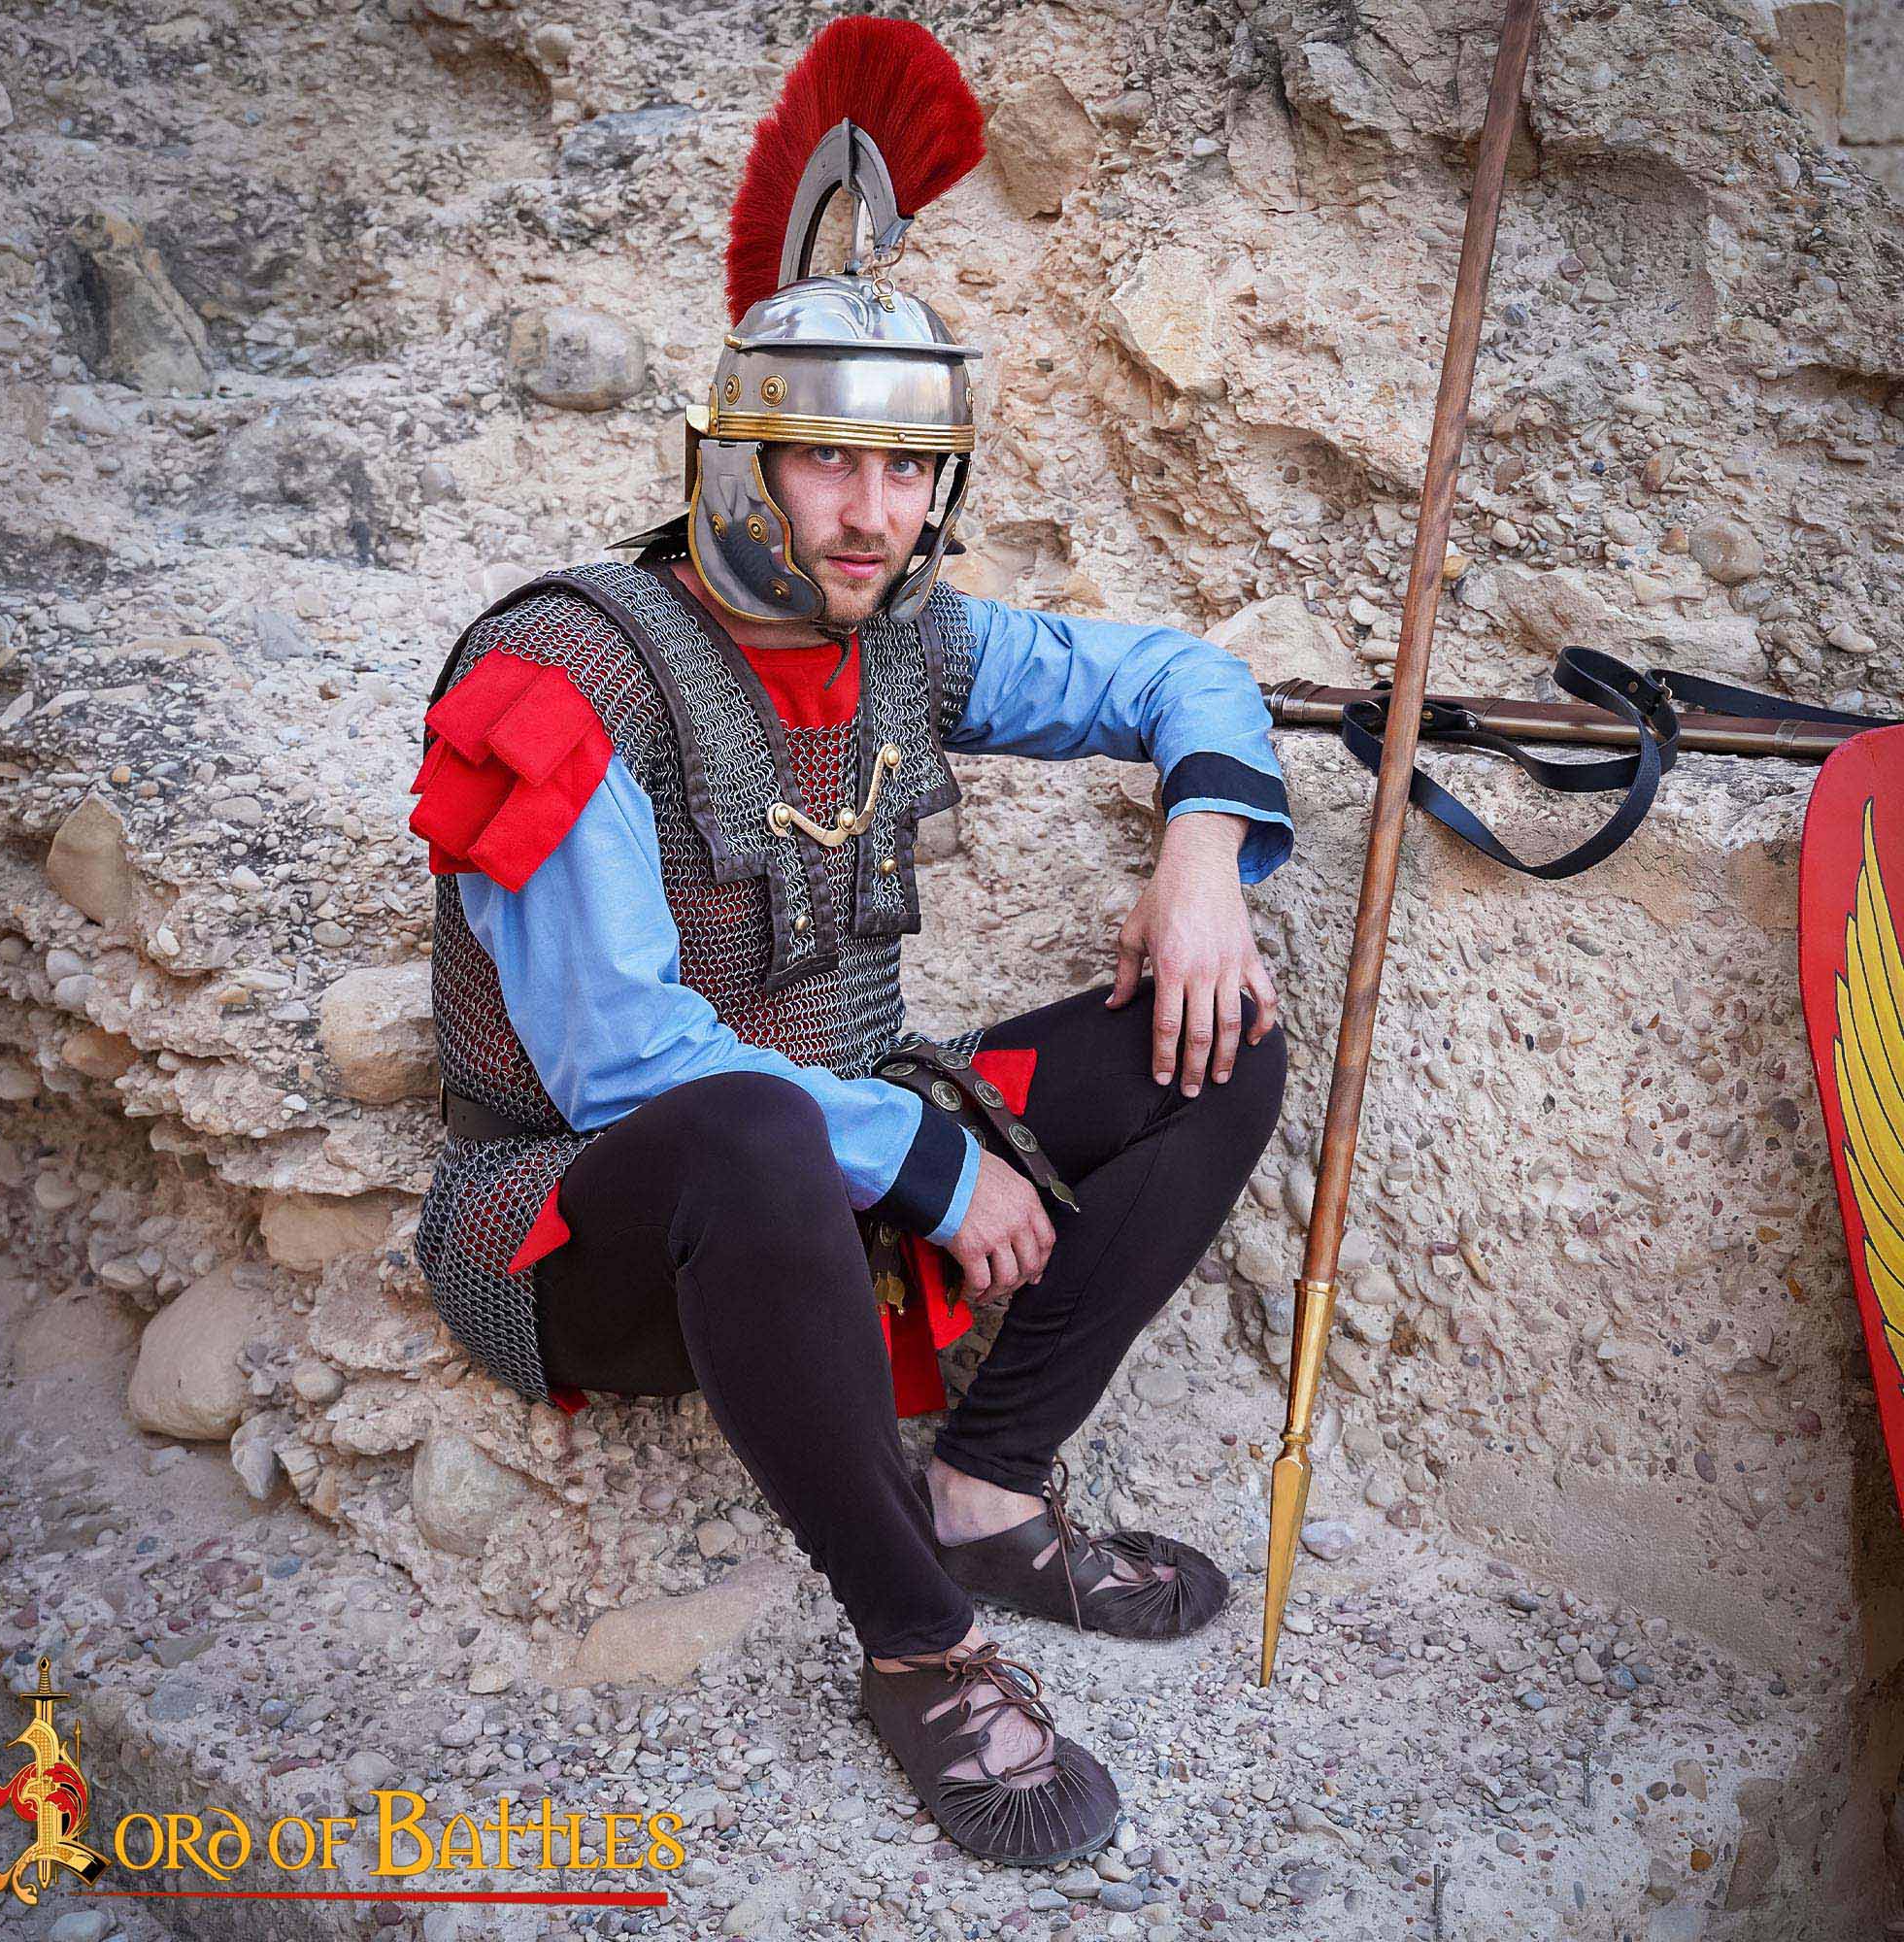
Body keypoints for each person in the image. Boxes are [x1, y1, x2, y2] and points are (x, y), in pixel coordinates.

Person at [405, 17, 1292, 1869]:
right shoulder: (565, 674)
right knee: (748, 1126)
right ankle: (918, 1643)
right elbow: (619, 1063)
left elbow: (1180, 675)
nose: (875, 514)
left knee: (1222, 1032)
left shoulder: (909, 637)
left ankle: (987, 1490)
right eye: (826, 463)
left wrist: (1202, 856)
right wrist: (932, 1159)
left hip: (839, 1149)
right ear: (738, 457)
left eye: (904, 469)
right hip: (590, 1215)